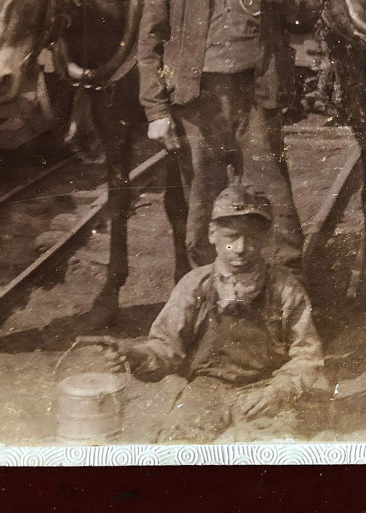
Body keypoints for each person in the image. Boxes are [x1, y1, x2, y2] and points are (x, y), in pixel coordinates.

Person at [78, 168, 325, 443]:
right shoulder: (195, 285)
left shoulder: (284, 288)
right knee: (176, 449)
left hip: (263, 391)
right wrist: (134, 354)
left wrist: (282, 390)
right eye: (231, 237)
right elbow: (166, 348)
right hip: (205, 392)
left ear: (266, 238)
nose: (241, 247)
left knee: (279, 454)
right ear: (212, 235)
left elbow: (307, 356)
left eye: (252, 237)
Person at [138, 0, 320, 271]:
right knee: (202, 209)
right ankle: (211, 299)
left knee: (276, 203)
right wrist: (156, 110)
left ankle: (284, 299)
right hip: (197, 102)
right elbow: (150, 39)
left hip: (257, 95)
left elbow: (309, 15)